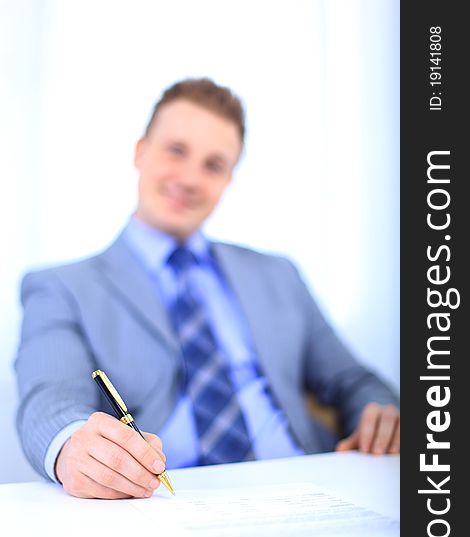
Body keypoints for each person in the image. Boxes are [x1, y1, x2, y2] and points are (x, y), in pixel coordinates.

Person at [15, 78, 400, 500]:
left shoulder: (278, 274)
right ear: (140, 152)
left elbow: (353, 381)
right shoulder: (61, 287)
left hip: (307, 489)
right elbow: (47, 403)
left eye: (213, 165)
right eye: (176, 151)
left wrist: (380, 413)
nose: (190, 178)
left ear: (229, 180)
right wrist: (72, 448)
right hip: (164, 504)